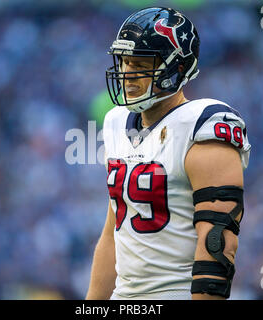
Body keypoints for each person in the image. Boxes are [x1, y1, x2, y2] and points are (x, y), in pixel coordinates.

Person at [86, 7, 251, 300]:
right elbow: (113, 234)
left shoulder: (203, 124)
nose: (127, 73)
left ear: (177, 68)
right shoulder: (115, 121)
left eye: (140, 63)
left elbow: (217, 242)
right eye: (124, 61)